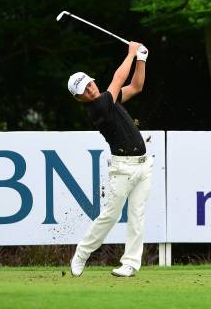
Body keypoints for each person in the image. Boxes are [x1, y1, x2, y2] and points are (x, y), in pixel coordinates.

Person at [67, 41, 152, 277]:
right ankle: (82, 253)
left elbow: (135, 86)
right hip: (122, 169)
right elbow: (117, 79)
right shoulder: (98, 108)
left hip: (144, 165)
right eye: (84, 90)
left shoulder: (108, 99)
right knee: (110, 216)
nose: (90, 89)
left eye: (89, 84)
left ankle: (130, 265)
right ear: (79, 98)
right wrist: (132, 53)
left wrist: (141, 60)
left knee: (137, 217)